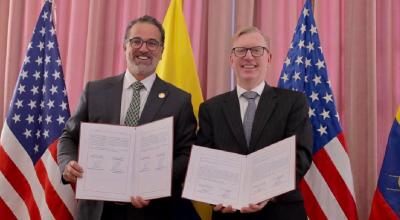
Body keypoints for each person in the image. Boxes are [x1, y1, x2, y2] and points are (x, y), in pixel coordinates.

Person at [57, 15, 197, 220]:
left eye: (152, 43)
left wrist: (153, 184)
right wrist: (67, 164)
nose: (144, 49)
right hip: (97, 211)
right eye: (136, 41)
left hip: (153, 210)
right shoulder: (95, 91)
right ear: (124, 46)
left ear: (161, 51)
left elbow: (187, 154)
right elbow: (69, 136)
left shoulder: (179, 101)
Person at [195, 26, 313, 220]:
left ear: (269, 58)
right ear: (231, 59)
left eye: (257, 50)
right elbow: (204, 161)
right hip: (229, 212)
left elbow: (301, 154)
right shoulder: (211, 109)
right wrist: (216, 198)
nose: (248, 57)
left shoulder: (293, 102)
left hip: (281, 210)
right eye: (240, 50)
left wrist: (268, 193)